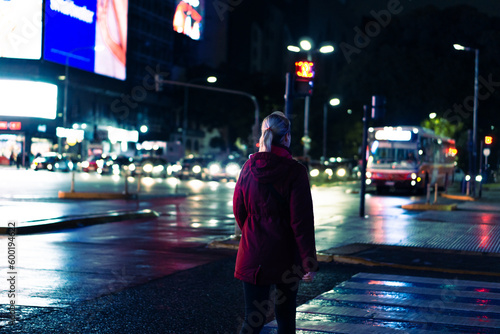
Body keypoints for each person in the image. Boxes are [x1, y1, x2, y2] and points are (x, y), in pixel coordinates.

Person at [233, 111, 318, 333]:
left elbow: (238, 210)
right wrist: (308, 260)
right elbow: (302, 222)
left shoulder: (248, 168)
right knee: (286, 316)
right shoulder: (296, 172)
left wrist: (253, 231)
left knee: (252, 319)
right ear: (287, 137)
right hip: (286, 255)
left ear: (263, 135)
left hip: (253, 252)